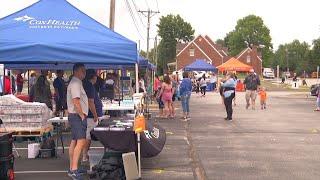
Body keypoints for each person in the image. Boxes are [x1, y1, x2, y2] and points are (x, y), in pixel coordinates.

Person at [67, 63, 88, 179]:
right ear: (76, 71)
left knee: (75, 141)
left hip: (75, 116)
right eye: (82, 71)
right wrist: (82, 115)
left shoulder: (77, 82)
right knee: (80, 142)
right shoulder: (75, 83)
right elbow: (76, 101)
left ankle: (72, 168)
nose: (84, 73)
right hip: (77, 116)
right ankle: (74, 169)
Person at [82, 69, 103, 162]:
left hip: (90, 115)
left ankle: (85, 154)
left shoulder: (88, 85)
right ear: (93, 77)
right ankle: (84, 155)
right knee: (89, 136)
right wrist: (95, 115)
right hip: (91, 116)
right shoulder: (89, 86)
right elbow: (91, 102)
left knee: (88, 135)